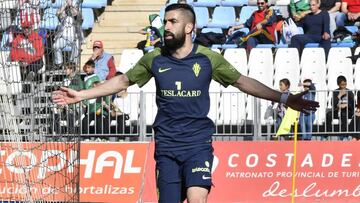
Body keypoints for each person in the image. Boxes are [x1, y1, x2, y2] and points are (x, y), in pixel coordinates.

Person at [52, 4, 319, 203]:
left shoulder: (208, 59)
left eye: (173, 22)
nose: (166, 26)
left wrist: (284, 98)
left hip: (197, 145)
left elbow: (242, 82)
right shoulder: (154, 58)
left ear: (189, 27)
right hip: (166, 148)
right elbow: (122, 82)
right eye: (166, 22)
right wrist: (82, 95)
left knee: (197, 199)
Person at [10, 15, 44, 84]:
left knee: (39, 62)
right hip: (21, 63)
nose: (26, 30)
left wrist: (28, 61)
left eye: (28, 28)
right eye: (24, 28)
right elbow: (13, 54)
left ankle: (30, 76)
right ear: (22, 29)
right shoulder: (18, 39)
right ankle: (29, 77)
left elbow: (39, 53)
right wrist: (20, 61)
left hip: (33, 61)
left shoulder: (37, 37)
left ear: (31, 28)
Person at [82, 60, 110, 136]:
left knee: (99, 119)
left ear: (93, 68)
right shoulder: (85, 78)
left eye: (89, 67)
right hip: (89, 103)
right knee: (85, 121)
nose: (87, 69)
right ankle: (85, 138)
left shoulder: (96, 77)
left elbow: (99, 91)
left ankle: (101, 138)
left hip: (97, 105)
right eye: (86, 67)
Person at [325, 75, 354, 140]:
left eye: (345, 84)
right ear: (338, 84)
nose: (344, 86)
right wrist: (339, 95)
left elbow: (353, 104)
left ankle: (343, 135)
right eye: (342, 85)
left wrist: (346, 105)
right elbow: (333, 103)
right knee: (328, 115)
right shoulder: (335, 92)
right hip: (337, 111)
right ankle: (326, 134)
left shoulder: (349, 92)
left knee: (344, 114)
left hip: (347, 111)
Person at [53, 0, 81, 68]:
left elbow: (76, 14)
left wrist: (71, 6)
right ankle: (59, 63)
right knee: (55, 46)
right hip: (63, 36)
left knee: (77, 44)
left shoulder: (76, 7)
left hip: (73, 36)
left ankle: (73, 62)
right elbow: (57, 14)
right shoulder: (63, 10)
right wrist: (64, 6)